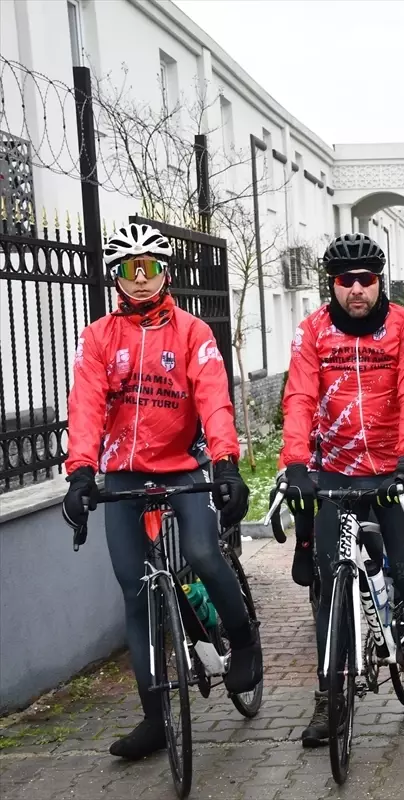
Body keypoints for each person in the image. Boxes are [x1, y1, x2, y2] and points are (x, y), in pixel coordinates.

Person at [61, 222, 260, 760]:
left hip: (182, 466)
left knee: (202, 552)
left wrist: (226, 462)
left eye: (150, 268)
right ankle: (154, 718)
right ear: (117, 277)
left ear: (165, 273)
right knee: (134, 589)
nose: (141, 279)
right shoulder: (99, 337)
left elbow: (214, 398)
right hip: (124, 473)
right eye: (130, 270)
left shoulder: (193, 333)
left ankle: (243, 641)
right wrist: (81, 472)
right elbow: (86, 405)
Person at [278, 232, 404, 744]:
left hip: (393, 473)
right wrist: (296, 463)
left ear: (379, 281)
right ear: (332, 284)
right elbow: (299, 397)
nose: (356, 289)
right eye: (345, 280)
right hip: (335, 474)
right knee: (330, 587)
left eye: (366, 280)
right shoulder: (312, 331)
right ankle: (328, 699)